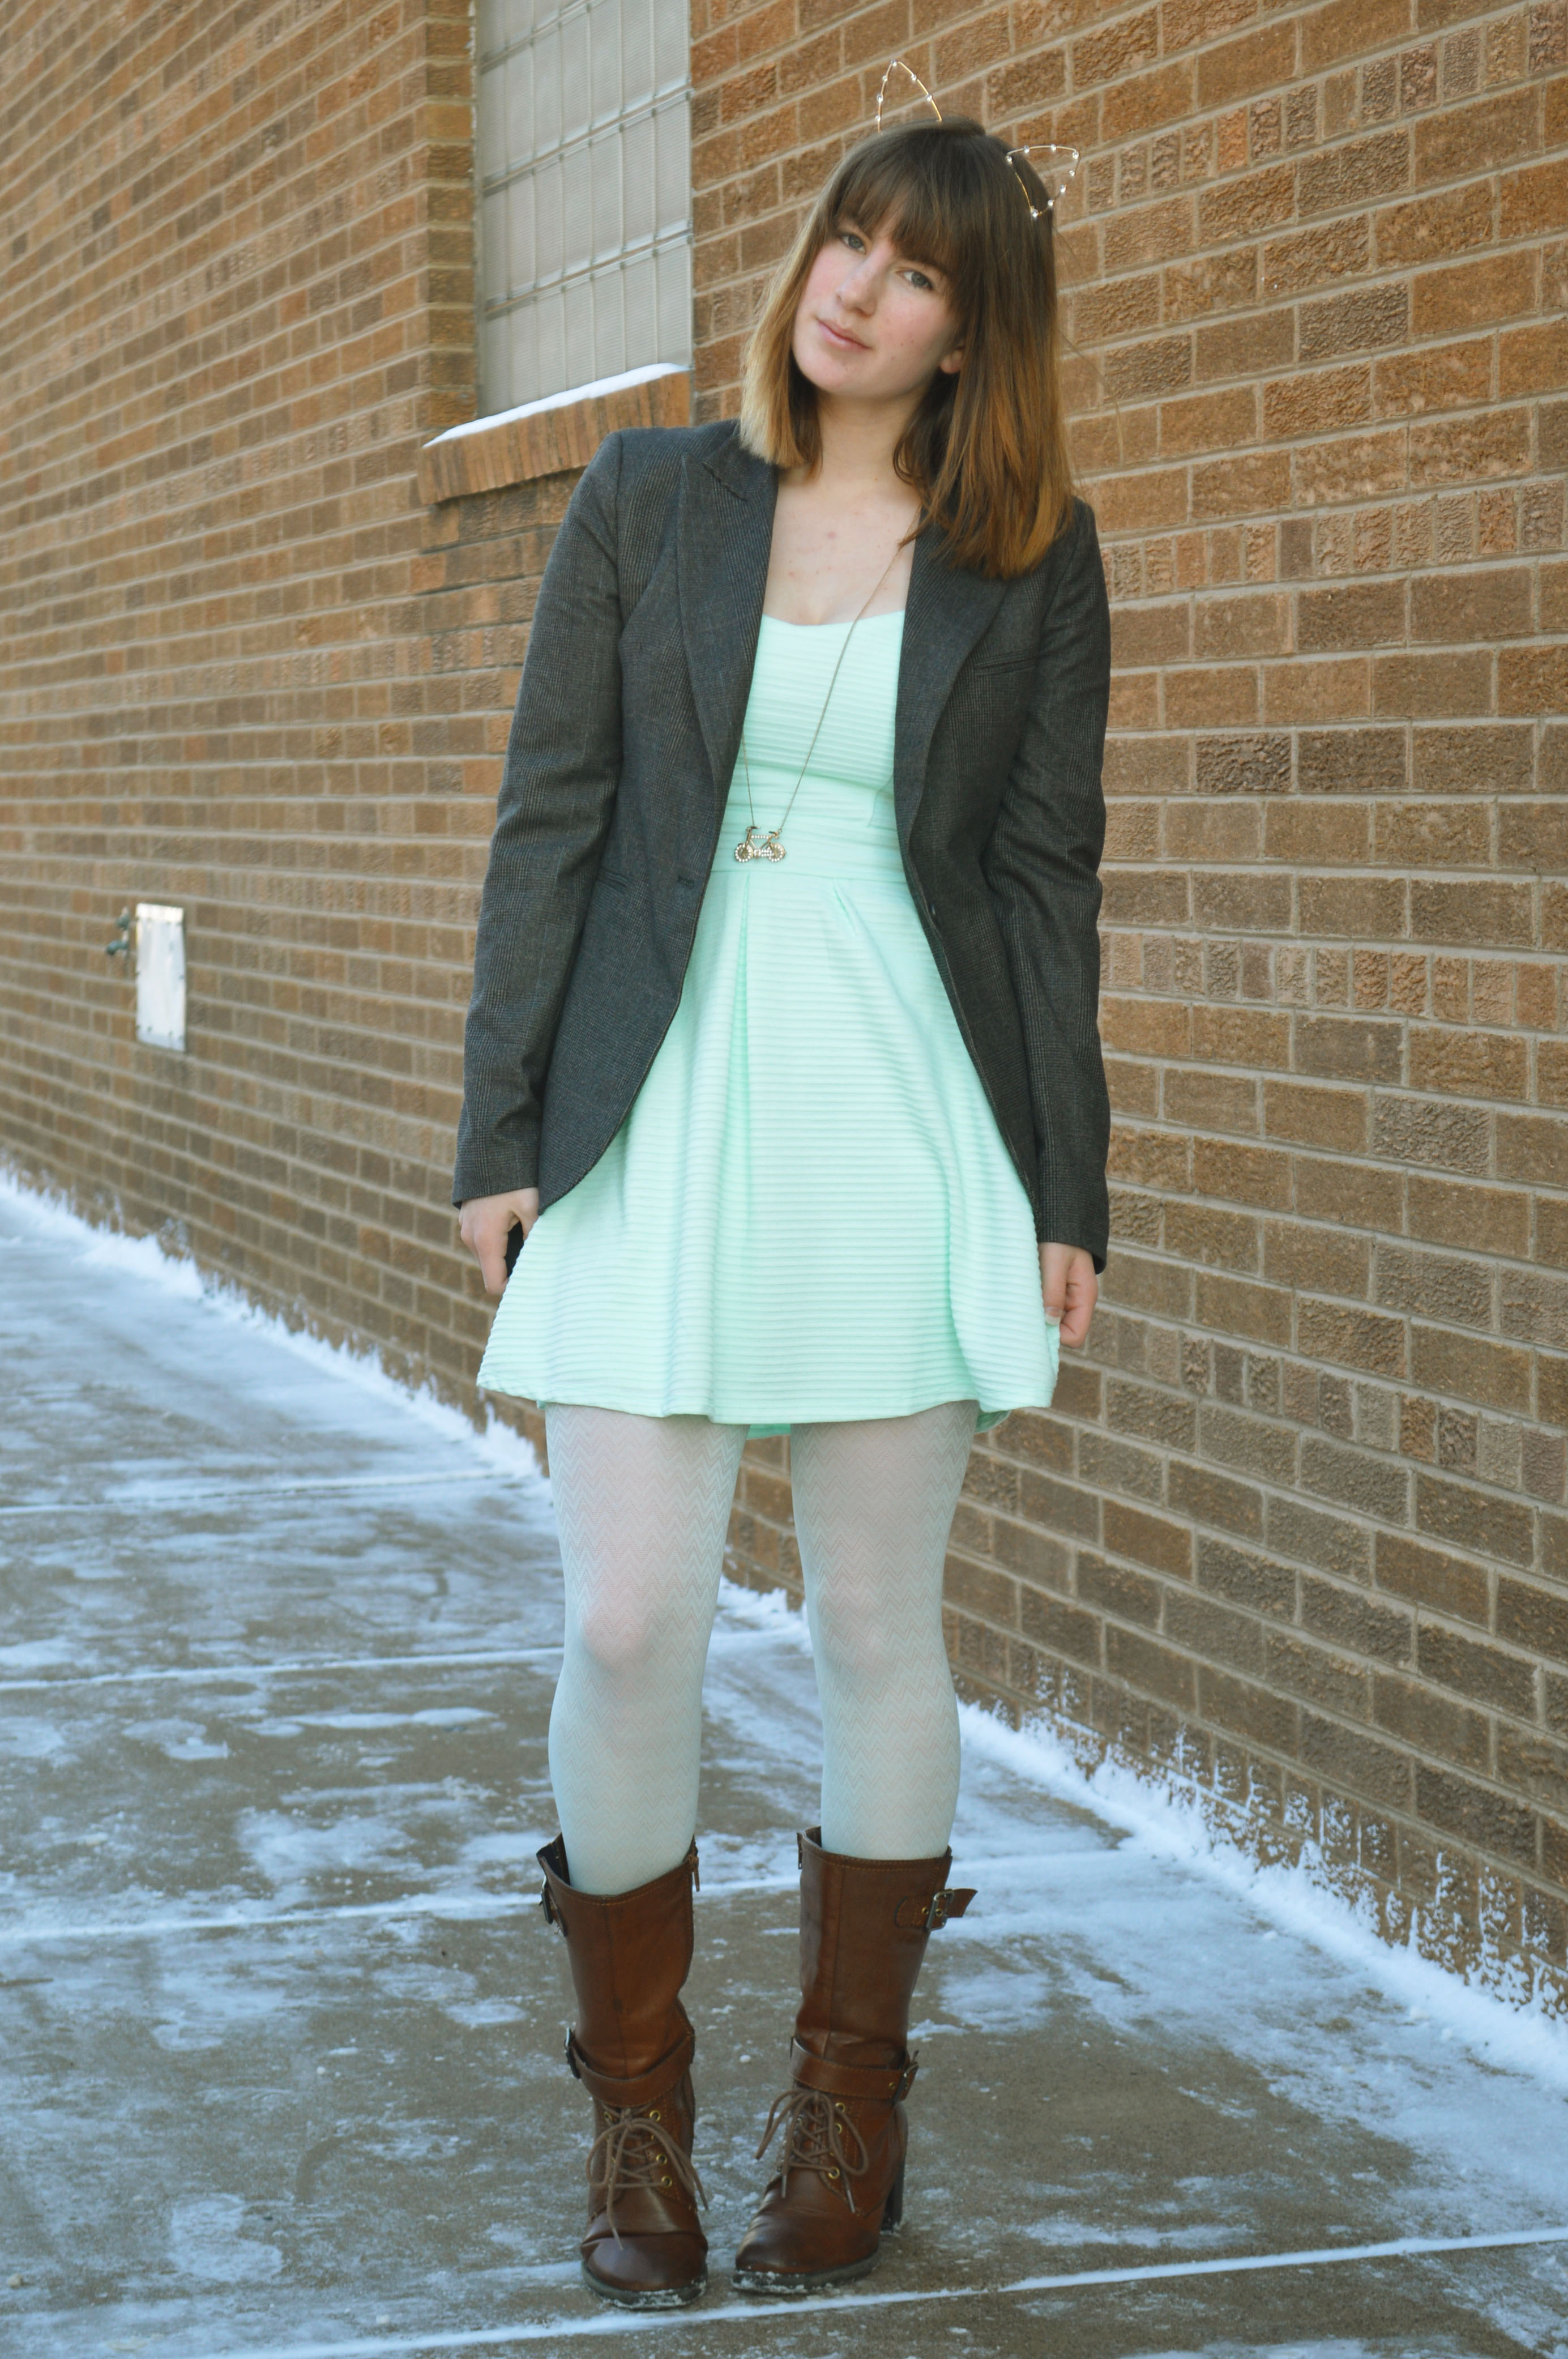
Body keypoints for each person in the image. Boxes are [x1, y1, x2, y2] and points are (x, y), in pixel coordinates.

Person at [452, 84, 1112, 2311]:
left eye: (917, 272)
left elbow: (1042, 885)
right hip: (654, 1100)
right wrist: (501, 1132)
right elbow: (549, 817)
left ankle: (850, 2107)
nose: (858, 288)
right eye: (849, 238)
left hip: (897, 1110)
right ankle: (634, 2115)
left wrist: (1064, 1184)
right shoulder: (649, 498)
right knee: (629, 1622)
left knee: (870, 1626)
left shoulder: (1031, 557)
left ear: (970, 332)